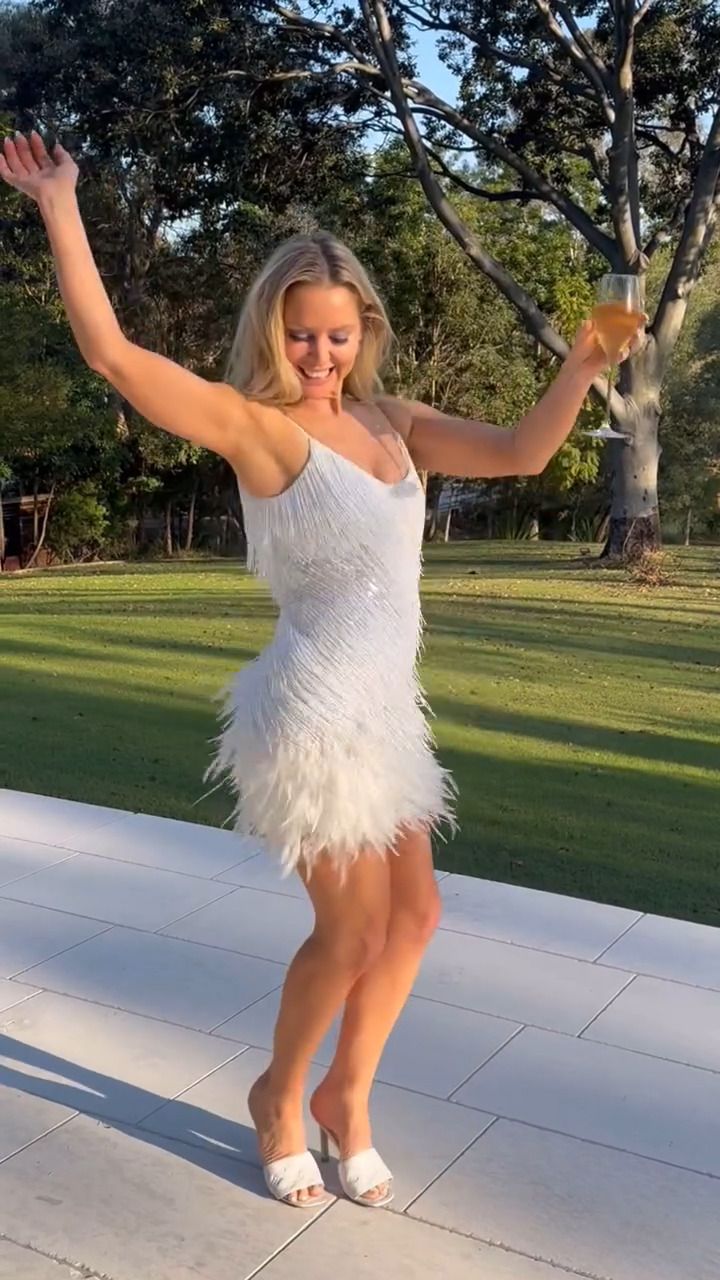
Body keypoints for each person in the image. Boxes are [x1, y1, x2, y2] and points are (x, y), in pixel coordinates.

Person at [1, 130, 643, 1211]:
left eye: (337, 335)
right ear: (273, 329)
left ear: (364, 332)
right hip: (311, 713)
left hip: (387, 711)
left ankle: (350, 1095)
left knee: (415, 919)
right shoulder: (258, 430)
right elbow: (112, 354)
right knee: (348, 932)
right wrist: (61, 203)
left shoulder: (396, 424)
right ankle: (278, 1096)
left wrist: (580, 365)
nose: (318, 354)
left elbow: (524, 453)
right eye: (300, 334)